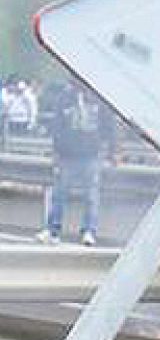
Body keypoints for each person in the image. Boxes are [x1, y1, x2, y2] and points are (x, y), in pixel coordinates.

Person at [36, 84, 112, 246]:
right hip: (67, 155)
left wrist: (110, 149)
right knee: (59, 194)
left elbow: (108, 125)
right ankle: (53, 229)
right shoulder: (64, 99)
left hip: (90, 154)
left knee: (90, 196)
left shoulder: (99, 98)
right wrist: (56, 152)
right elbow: (57, 127)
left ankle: (89, 230)